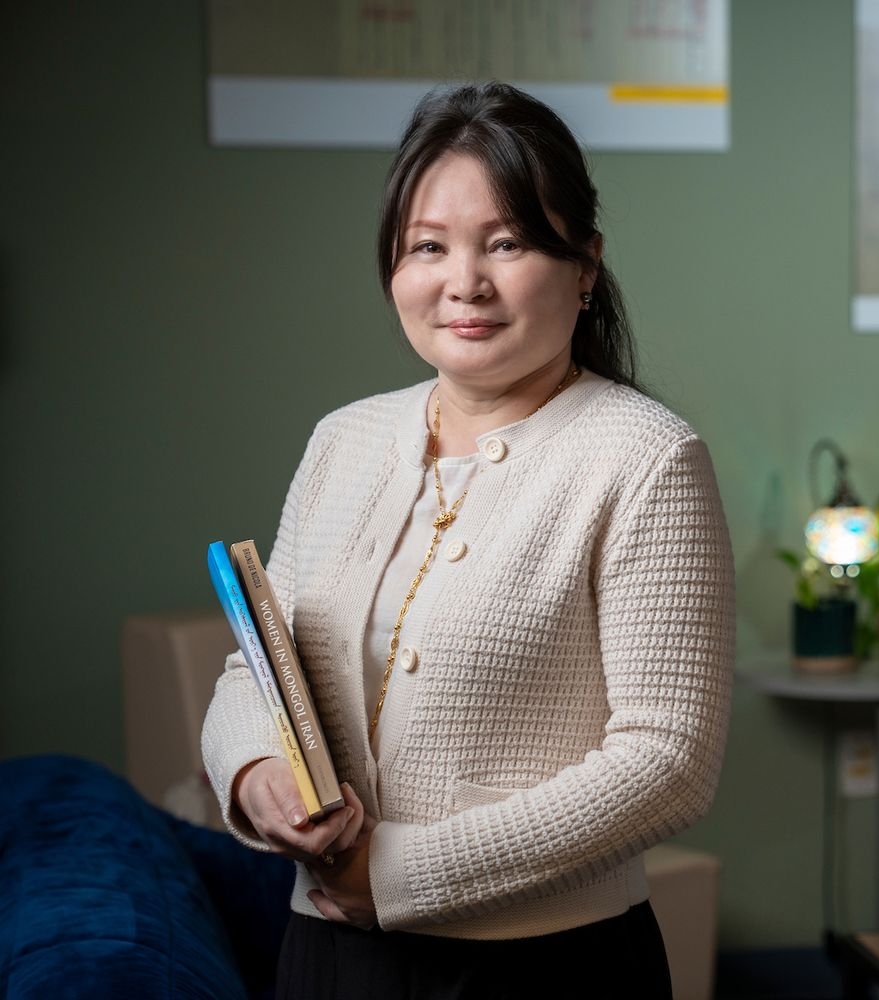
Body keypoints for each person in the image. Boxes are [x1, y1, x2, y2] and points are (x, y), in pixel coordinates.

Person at [200, 82, 735, 999]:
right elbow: (257, 665)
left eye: (507, 242)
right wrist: (254, 779)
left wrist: (399, 874)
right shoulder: (345, 439)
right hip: (327, 955)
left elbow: (668, 763)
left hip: (543, 967)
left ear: (586, 264)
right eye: (428, 248)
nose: (464, 283)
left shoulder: (646, 457)